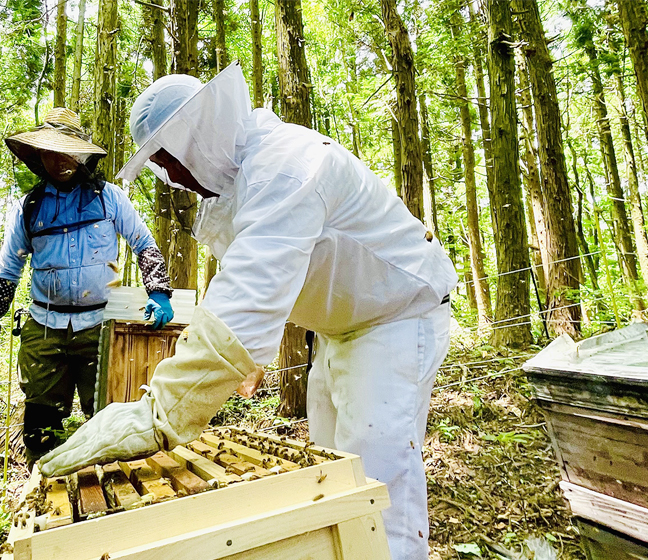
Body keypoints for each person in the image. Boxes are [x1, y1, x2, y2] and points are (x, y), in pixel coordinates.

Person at [37, 65, 457, 560]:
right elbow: (252, 278)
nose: (170, 174)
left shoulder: (286, 163)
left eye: (169, 156)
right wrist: (249, 357)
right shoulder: (244, 181)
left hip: (398, 316)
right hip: (340, 330)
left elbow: (256, 283)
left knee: (376, 478)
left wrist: (160, 413)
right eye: (158, 162)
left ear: (202, 131)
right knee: (332, 469)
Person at [0, 107, 175, 466]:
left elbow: (144, 244)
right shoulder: (28, 208)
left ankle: (111, 495)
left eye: (66, 153)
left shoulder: (110, 198)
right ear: (38, 156)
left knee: (110, 416)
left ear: (81, 155)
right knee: (41, 423)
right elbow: (8, 269)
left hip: (100, 327)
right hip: (43, 328)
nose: (58, 161)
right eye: (50, 152)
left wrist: (158, 291)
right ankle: (44, 493)